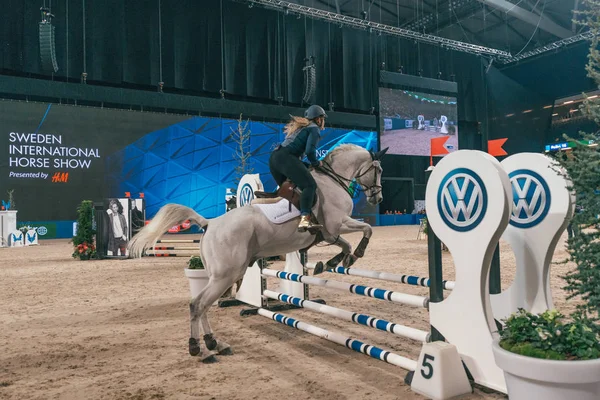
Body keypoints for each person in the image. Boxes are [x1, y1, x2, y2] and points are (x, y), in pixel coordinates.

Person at [269, 104, 327, 232]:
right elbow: (310, 151)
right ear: (318, 119)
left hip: (274, 159)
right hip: (286, 158)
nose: (323, 122)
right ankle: (305, 219)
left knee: (290, 190)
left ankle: (287, 220)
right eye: (323, 119)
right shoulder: (314, 129)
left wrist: (307, 165)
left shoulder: (302, 128)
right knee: (310, 186)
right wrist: (316, 163)